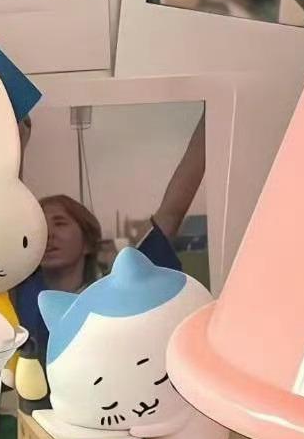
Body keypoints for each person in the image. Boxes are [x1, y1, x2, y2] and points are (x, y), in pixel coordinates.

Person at [12, 121, 206, 360]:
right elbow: (8, 220)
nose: (49, 234)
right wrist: (16, 145)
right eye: (41, 228)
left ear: (87, 242)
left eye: (60, 223)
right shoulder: (20, 291)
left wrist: (214, 119)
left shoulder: (121, 289)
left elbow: (172, 212)